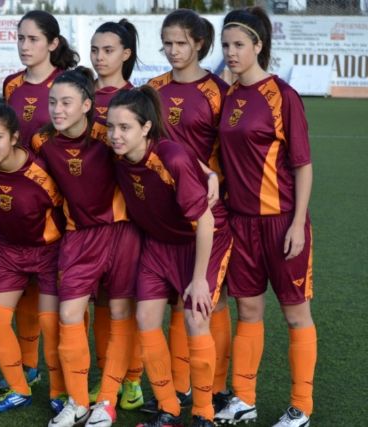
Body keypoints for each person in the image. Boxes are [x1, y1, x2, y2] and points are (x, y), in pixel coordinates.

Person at [214, 7, 316, 427]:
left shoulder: (282, 95)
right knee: (249, 313)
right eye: (226, 45)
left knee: (296, 314)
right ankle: (244, 399)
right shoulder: (228, 95)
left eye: (239, 45)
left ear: (259, 46)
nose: (232, 53)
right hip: (240, 223)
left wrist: (297, 222)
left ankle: (301, 407)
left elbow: (303, 164)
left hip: (281, 223)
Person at [107, 86, 232, 427]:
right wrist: (207, 170)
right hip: (157, 245)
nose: (115, 135)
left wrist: (198, 280)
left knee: (196, 318)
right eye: (111, 127)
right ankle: (169, 407)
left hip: (202, 241)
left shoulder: (170, 158)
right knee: (146, 320)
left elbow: (205, 221)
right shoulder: (116, 154)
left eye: (124, 128)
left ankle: (205, 412)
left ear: (146, 128)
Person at [33, 67, 141, 427]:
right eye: (52, 103)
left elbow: (155, 153)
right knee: (69, 315)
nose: (58, 110)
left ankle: (106, 400)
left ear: (86, 105)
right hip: (78, 238)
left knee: (120, 313)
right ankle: (77, 401)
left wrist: (206, 174)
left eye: (66, 102)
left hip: (121, 232)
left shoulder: (108, 137)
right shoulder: (42, 142)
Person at [144, 9, 233, 414]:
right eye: (167, 42)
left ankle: (212, 390)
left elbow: (230, 150)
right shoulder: (152, 89)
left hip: (207, 212)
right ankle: (177, 391)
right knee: (173, 306)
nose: (173, 50)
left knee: (206, 303)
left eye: (181, 42)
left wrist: (215, 178)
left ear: (199, 43)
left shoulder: (219, 90)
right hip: (160, 213)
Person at [0, 99, 66, 413]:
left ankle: (60, 393)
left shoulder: (40, 175)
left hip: (48, 251)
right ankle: (18, 388)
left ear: (13, 137)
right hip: (8, 251)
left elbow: (66, 212)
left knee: (52, 325)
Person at [1, 10, 79, 394]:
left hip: (59, 200)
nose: (24, 46)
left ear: (53, 43)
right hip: (17, 200)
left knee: (56, 291)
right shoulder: (11, 84)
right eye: (20, 38)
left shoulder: (66, 84)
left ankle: (59, 377)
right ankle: (28, 366)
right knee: (25, 289)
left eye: (32, 39)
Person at [88, 18, 145, 412]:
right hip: (87, 218)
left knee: (125, 301)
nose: (99, 57)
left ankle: (133, 380)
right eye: (94, 49)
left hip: (127, 217)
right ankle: (106, 374)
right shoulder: (80, 94)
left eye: (107, 50)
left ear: (125, 54)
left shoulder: (138, 97)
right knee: (101, 303)